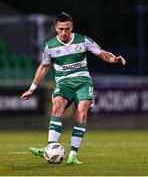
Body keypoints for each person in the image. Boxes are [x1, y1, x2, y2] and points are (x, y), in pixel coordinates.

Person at [21, 12, 126, 164]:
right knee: (57, 107)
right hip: (63, 83)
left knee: (81, 114)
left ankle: (73, 156)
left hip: (83, 82)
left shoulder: (83, 40)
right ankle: (51, 148)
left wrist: (113, 59)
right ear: (56, 28)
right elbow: (44, 67)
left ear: (72, 28)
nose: (64, 32)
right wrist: (32, 89)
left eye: (67, 29)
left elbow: (102, 53)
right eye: (61, 29)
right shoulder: (49, 45)